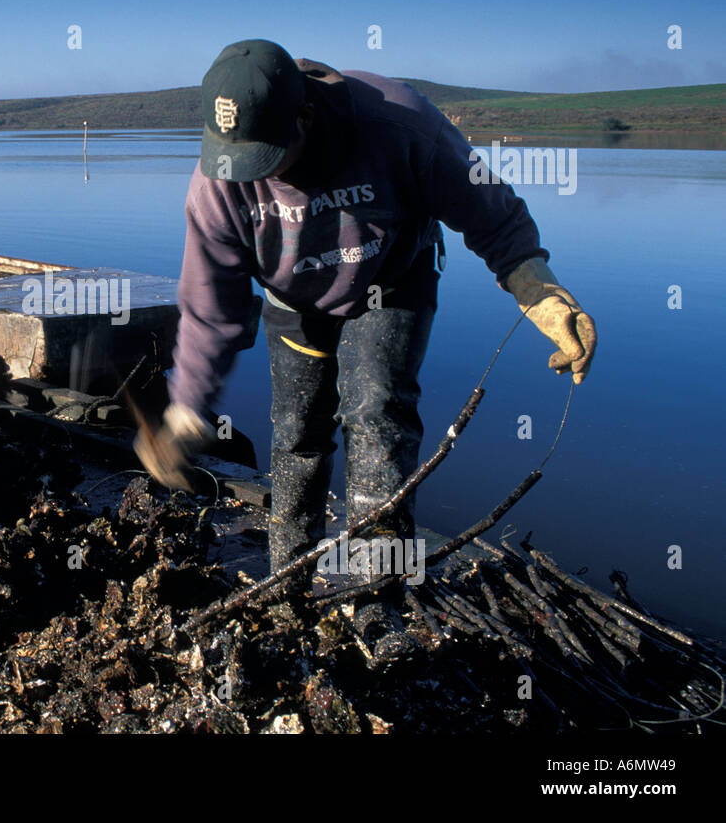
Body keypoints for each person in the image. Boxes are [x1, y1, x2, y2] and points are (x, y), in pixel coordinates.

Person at [134, 39, 596, 665]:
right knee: (296, 433)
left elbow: (486, 203)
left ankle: (378, 603)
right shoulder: (218, 183)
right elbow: (212, 306)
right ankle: (285, 591)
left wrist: (535, 287)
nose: (254, 176)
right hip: (293, 299)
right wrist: (188, 408)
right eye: (240, 162)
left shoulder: (397, 122)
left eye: (267, 158)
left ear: (305, 117)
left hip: (393, 280)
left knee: (378, 415)